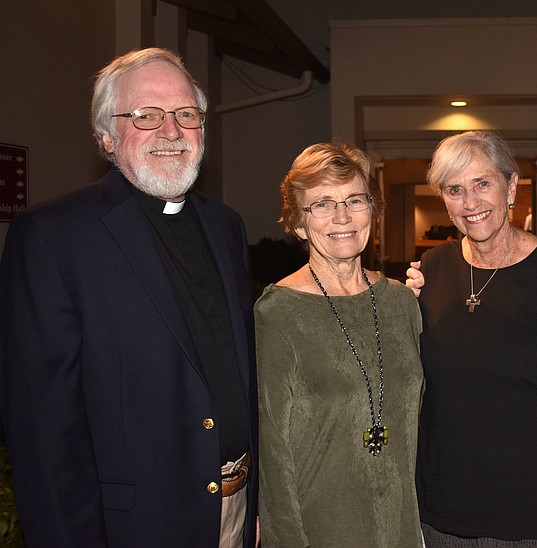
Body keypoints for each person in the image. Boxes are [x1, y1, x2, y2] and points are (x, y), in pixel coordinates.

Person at [0, 48, 258, 547]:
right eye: (146, 115)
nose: (171, 130)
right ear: (106, 136)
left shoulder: (226, 226)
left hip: (236, 511)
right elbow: (42, 430)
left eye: (186, 114)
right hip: (132, 528)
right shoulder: (52, 238)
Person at [413, 130, 537, 547]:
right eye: (455, 189)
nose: (470, 202)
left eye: (483, 183)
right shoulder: (432, 268)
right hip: (446, 513)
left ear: (511, 186)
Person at [254, 142, 424, 547]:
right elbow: (271, 450)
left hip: (405, 525)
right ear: (297, 222)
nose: (343, 216)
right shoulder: (277, 313)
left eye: (354, 200)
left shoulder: (402, 303)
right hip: (322, 527)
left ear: (373, 209)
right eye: (323, 204)